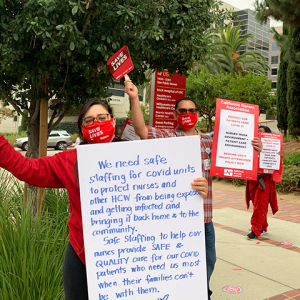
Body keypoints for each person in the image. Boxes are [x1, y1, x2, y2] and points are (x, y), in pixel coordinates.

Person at [0, 99, 208, 299]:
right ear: (81, 128)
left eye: (102, 117)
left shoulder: (140, 156)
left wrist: (194, 189)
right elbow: (26, 169)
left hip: (131, 255)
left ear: (112, 120)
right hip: (80, 254)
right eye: (89, 120)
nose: (96, 123)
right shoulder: (70, 160)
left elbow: (167, 189)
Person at [124, 80, 262, 300]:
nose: (188, 113)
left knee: (209, 260)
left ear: (197, 113)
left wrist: (255, 148)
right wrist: (133, 97)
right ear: (175, 114)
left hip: (205, 218)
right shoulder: (168, 137)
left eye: (192, 110)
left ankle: (201, 293)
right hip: (178, 219)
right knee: (179, 265)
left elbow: (239, 157)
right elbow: (141, 130)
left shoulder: (209, 142)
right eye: (183, 111)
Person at [246, 125, 283, 240]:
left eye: (261, 133)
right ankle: (263, 227)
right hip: (252, 179)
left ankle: (255, 230)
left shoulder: (274, 147)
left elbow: (278, 160)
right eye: (257, 133)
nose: (258, 135)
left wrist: (275, 153)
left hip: (264, 180)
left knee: (260, 205)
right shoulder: (251, 146)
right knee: (257, 205)